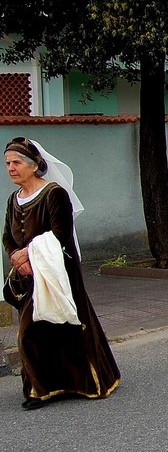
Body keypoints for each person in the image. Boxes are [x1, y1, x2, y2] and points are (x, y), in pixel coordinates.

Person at [4, 138, 121, 410]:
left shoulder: (54, 194)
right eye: (8, 163)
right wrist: (15, 256)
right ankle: (43, 387)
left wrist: (29, 254)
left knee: (47, 330)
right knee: (40, 330)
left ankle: (79, 382)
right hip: (28, 275)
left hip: (57, 272)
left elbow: (61, 235)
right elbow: (7, 235)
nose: (11, 168)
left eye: (16, 162)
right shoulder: (14, 199)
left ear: (34, 166)